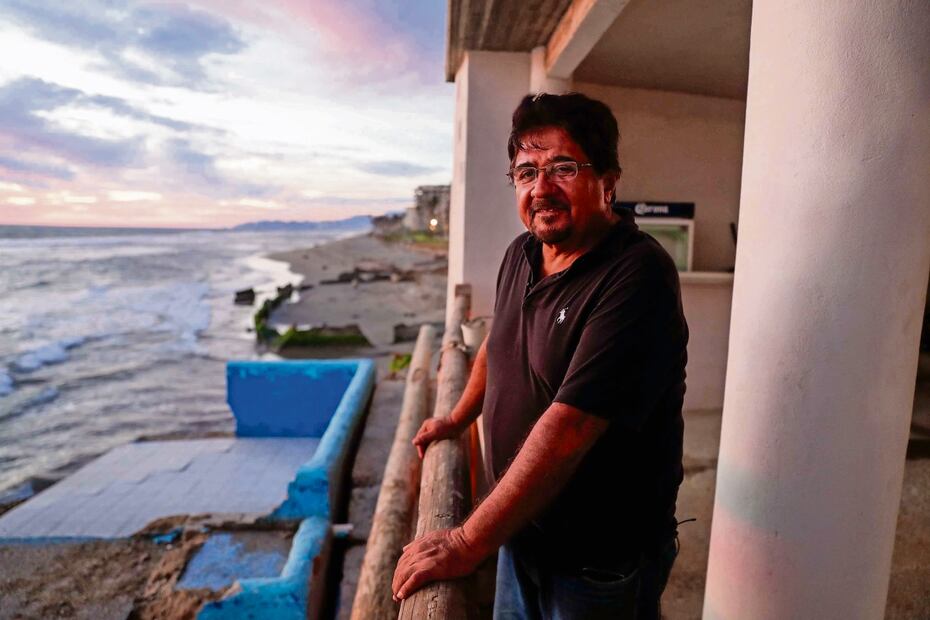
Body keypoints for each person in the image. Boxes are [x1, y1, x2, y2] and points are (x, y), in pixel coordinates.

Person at [392, 92, 688, 619]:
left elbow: (568, 428)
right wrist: (457, 419)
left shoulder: (636, 276)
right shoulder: (522, 253)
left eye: (563, 168)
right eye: (526, 173)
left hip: (596, 562)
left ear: (609, 180)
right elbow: (498, 345)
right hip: (519, 531)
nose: (541, 189)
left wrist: (465, 543)